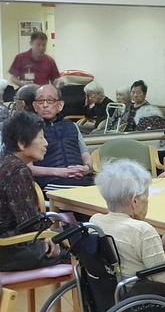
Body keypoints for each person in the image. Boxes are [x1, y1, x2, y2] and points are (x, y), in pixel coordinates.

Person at [90, 159, 165, 312]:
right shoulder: (142, 231)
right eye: (146, 196)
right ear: (135, 201)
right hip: (141, 300)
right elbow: (163, 277)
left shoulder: (95, 222)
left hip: (108, 295)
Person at [0, 111, 70, 270]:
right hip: (8, 248)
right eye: (41, 138)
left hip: (6, 242)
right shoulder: (18, 170)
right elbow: (29, 223)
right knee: (75, 242)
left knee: (65, 232)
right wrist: (46, 233)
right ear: (21, 143)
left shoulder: (4, 160)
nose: (46, 143)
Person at [29, 84, 94, 190]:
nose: (45, 105)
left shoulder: (72, 125)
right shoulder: (29, 128)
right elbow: (27, 167)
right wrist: (60, 172)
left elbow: (85, 153)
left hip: (81, 178)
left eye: (50, 100)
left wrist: (87, 168)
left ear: (60, 105)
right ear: (35, 106)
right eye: (40, 101)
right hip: (50, 181)